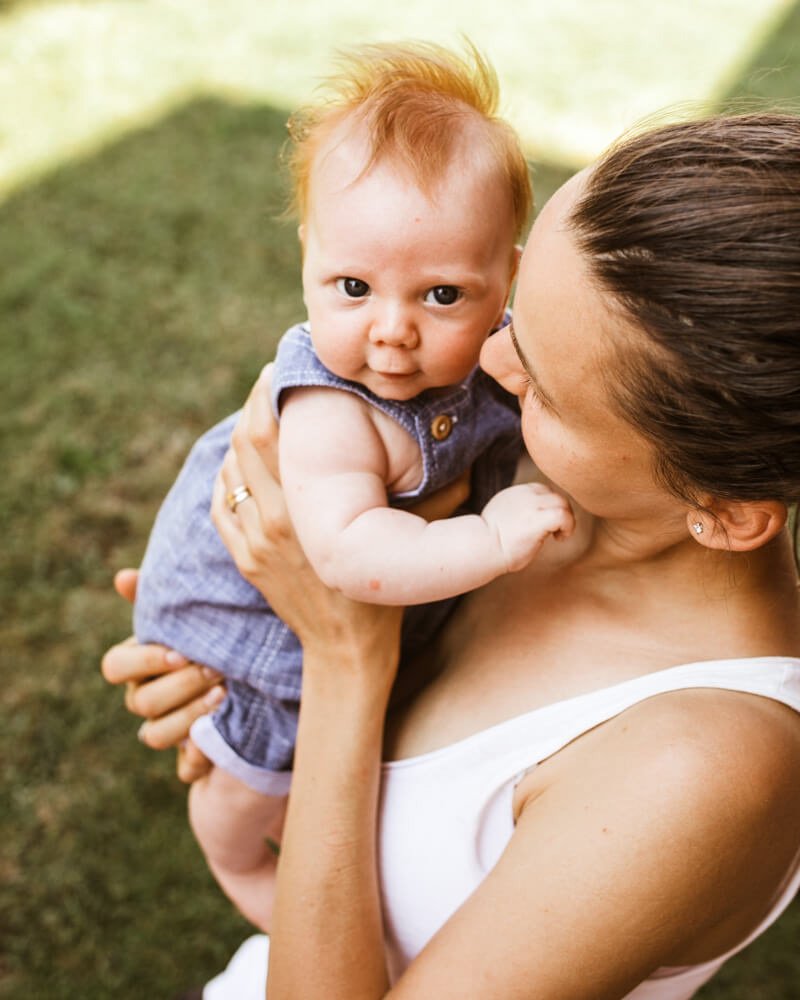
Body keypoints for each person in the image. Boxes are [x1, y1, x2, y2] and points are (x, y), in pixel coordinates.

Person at [103, 109, 800, 1000]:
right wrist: (229, 655)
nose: (489, 362)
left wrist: (343, 661)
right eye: (515, 313)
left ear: (723, 511)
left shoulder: (699, 768)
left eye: (542, 384)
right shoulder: (513, 473)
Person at [132, 41, 573, 930]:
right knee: (243, 791)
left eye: (442, 294)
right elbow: (347, 554)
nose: (392, 331)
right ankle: (242, 871)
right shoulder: (333, 409)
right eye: (353, 286)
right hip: (251, 636)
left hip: (361, 613)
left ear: (508, 284)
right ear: (308, 258)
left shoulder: (495, 348)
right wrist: (488, 540)